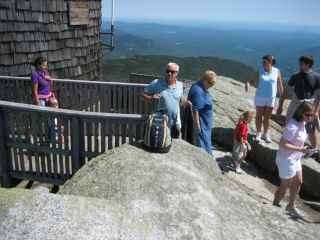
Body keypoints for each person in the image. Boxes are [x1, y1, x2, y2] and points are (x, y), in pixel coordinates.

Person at [273, 102, 314, 218]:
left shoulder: (302, 124)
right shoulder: (293, 126)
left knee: (299, 181)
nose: (309, 118)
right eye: (307, 115)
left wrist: (304, 149)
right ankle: (274, 204)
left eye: (311, 115)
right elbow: (282, 144)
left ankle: (291, 205)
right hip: (286, 159)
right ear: (301, 113)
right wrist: (301, 149)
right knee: (285, 185)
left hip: (295, 158)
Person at [276, 54, 320, 148]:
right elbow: (286, 91)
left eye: (301, 64)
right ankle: (288, 146)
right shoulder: (295, 76)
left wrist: (316, 111)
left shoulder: (316, 77)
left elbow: (319, 95)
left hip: (308, 105)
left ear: (308, 65)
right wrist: (280, 106)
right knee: (289, 125)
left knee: (311, 131)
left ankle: (314, 151)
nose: (299, 65)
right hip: (296, 103)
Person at [139, 62, 191, 138]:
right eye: (168, 71)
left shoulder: (180, 86)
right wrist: (151, 98)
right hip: (160, 122)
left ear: (177, 73)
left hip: (174, 123)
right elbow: (141, 95)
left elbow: (178, 102)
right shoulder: (156, 83)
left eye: (172, 72)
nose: (169, 73)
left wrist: (185, 103)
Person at [245, 54, 283, 143]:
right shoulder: (260, 71)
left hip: (271, 97)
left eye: (265, 62)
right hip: (260, 97)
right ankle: (258, 133)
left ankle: (265, 134)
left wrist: (282, 96)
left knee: (267, 117)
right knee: (259, 116)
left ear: (270, 62)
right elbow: (253, 81)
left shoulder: (277, 71)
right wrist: (248, 84)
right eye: (262, 62)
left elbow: (279, 84)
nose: (263, 63)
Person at [187, 70, 217, 155]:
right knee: (203, 146)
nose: (211, 86)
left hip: (205, 124)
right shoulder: (198, 91)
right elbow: (196, 111)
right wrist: (198, 127)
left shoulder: (202, 86)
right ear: (204, 80)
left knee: (206, 142)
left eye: (213, 84)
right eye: (210, 83)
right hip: (202, 124)